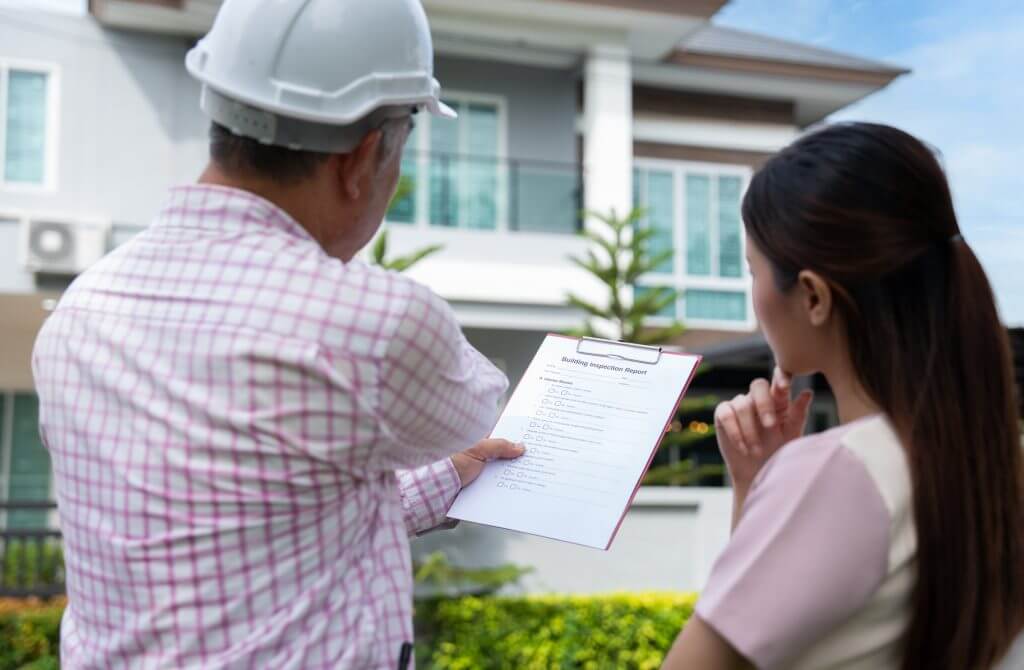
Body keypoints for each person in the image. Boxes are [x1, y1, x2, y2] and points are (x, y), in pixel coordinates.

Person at [31, 0, 523, 667]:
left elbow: (251, 526)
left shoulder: (80, 311)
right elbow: (475, 408)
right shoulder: (369, 324)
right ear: (366, 156)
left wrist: (449, 480)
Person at [660, 123, 1024, 670]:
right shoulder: (991, 461)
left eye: (753, 270)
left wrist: (777, 486)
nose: (754, 295)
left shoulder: (837, 469)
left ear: (812, 295)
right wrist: (758, 489)